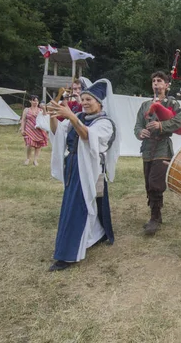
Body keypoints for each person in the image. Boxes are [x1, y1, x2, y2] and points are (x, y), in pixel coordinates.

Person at [46, 79, 118, 272]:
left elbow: (88, 136)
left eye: (89, 100)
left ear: (100, 103)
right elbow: (57, 132)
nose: (85, 102)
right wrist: (53, 115)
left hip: (89, 169)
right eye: (83, 99)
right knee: (81, 205)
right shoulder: (78, 116)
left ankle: (67, 254)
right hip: (73, 166)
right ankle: (97, 234)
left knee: (79, 207)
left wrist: (70, 116)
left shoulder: (105, 123)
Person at [134, 71, 181, 235]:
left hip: (163, 147)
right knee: (148, 183)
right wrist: (140, 132)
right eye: (154, 81)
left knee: (156, 183)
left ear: (166, 85)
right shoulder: (145, 105)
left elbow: (179, 121)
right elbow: (137, 125)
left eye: (160, 81)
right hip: (147, 148)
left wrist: (161, 126)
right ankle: (157, 214)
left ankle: (154, 218)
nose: (156, 83)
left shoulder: (172, 103)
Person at [20, 95, 48, 166]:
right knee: (29, 144)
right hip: (29, 129)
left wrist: (44, 109)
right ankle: (28, 159)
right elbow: (23, 120)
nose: (35, 102)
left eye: (37, 101)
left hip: (39, 130)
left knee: (38, 146)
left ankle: (35, 160)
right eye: (34, 100)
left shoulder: (40, 110)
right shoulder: (26, 110)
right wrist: (22, 129)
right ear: (30, 101)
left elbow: (45, 116)